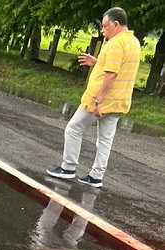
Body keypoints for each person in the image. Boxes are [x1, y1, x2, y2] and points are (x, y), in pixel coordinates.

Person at [46, 7, 141, 189]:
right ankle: (96, 176)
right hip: (119, 101)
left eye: (105, 27)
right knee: (105, 139)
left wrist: (98, 101)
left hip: (100, 100)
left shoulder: (115, 43)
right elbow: (117, 68)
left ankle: (68, 167)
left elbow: (111, 75)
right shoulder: (134, 42)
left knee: (73, 128)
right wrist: (97, 62)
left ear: (116, 24)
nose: (103, 31)